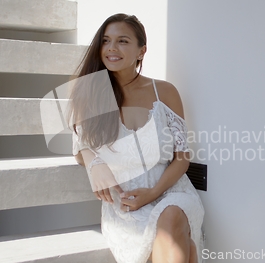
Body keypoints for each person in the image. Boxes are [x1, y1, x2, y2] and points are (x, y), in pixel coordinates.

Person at [67, 13, 204, 263]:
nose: (111, 48)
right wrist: (94, 163)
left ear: (141, 51)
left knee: (172, 217)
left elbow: (182, 158)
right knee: (183, 249)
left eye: (123, 41)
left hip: (171, 191)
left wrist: (153, 193)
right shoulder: (89, 93)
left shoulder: (164, 91)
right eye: (106, 41)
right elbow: (79, 145)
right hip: (126, 204)